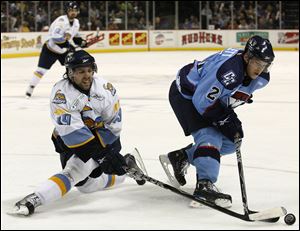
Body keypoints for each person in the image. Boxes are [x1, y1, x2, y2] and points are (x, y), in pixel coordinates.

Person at [11, 50, 145, 216]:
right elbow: (72, 132)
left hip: (103, 138)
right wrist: (102, 157)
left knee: (74, 171)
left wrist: (106, 153)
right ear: (70, 73)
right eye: (81, 71)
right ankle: (125, 171)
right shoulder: (61, 93)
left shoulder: (106, 90)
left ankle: (34, 199)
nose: (87, 75)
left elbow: (114, 126)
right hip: (72, 140)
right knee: (85, 186)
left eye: (89, 70)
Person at [160, 35, 275, 208]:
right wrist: (225, 118)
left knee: (230, 143)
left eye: (265, 64)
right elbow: (202, 100)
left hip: (203, 98)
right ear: (246, 57)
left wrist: (228, 119)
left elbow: (225, 97)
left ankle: (181, 157)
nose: (261, 69)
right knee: (210, 135)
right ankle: (204, 185)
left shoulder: (259, 78)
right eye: (257, 63)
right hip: (186, 95)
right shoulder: (230, 71)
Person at [25, 1, 88, 98]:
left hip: (63, 51)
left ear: (78, 12)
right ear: (67, 11)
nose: (73, 12)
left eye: (75, 10)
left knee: (72, 69)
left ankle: (74, 90)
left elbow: (74, 36)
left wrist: (82, 42)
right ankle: (30, 89)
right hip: (50, 49)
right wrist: (68, 45)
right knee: (41, 70)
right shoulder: (61, 21)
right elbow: (56, 37)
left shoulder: (76, 23)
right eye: (71, 10)